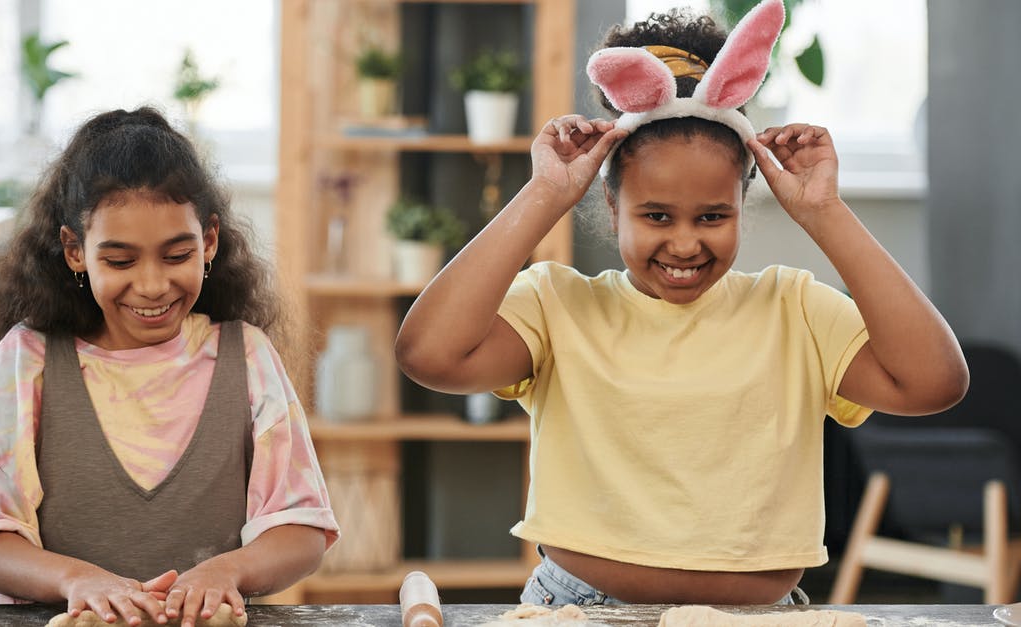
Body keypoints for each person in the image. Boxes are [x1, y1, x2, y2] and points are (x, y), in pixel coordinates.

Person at [395, 0, 967, 607]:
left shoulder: (795, 308)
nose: (686, 241)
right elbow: (429, 355)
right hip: (580, 610)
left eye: (714, 216)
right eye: (657, 215)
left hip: (756, 617)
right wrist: (544, 194)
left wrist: (824, 212)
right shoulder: (555, 305)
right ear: (612, 206)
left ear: (745, 203)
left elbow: (934, 383)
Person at [0, 107, 338, 626]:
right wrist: (76, 580)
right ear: (75, 251)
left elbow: (302, 529)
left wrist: (228, 572)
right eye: (120, 261)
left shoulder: (249, 356)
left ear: (209, 241)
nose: (151, 285)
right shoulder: (27, 361)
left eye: (176, 256)